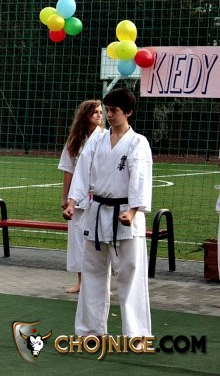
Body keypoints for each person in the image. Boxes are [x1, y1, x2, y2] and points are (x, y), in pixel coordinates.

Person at [63, 88, 153, 338]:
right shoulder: (97, 139)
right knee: (92, 274)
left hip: (125, 216)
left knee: (130, 277)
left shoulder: (138, 142)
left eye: (114, 111)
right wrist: (72, 202)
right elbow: (82, 171)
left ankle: (136, 335)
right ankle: (89, 331)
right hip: (97, 213)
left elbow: (140, 178)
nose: (109, 115)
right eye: (107, 110)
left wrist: (132, 211)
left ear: (128, 112)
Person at [58, 100, 104, 294]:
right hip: (77, 199)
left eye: (100, 112)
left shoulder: (106, 137)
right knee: (78, 241)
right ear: (85, 115)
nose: (99, 115)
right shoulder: (75, 140)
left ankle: (102, 284)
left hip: (99, 197)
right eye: (95, 112)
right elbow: (68, 170)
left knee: (101, 242)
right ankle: (80, 281)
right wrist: (65, 197)